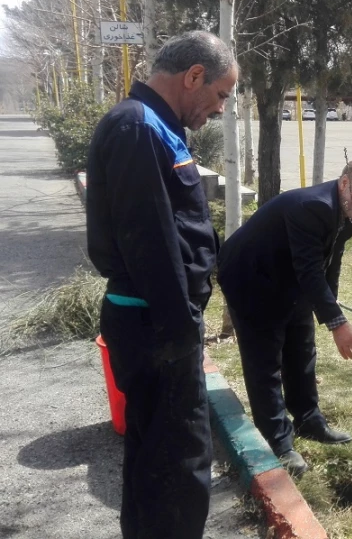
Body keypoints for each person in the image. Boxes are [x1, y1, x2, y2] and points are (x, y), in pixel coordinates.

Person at [86, 31, 238, 539]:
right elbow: (150, 243)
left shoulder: (156, 126)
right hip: (157, 326)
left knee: (156, 457)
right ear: (193, 76)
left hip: (160, 322)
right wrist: (180, 335)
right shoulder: (138, 128)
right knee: (178, 461)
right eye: (220, 94)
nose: (219, 109)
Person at [216, 162, 352, 476]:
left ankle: (308, 420)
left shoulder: (348, 212)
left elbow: (330, 260)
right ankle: (278, 440)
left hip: (288, 277)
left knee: (302, 348)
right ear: (345, 183)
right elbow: (308, 269)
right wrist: (337, 324)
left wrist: (330, 308)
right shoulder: (313, 207)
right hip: (250, 277)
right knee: (265, 360)